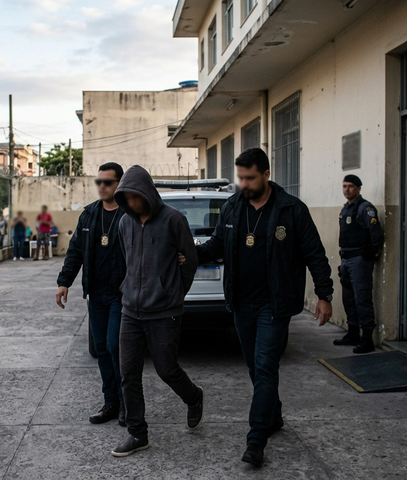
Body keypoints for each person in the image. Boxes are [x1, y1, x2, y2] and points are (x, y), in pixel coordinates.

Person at [196, 148, 333, 467]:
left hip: (275, 304)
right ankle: (274, 415)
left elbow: (315, 254)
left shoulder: (291, 210)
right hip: (241, 303)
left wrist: (324, 295)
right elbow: (217, 246)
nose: (243, 183)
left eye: (249, 177)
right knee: (255, 368)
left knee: (266, 365)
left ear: (266, 175)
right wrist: (188, 253)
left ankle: (256, 440)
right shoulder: (232, 206)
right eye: (240, 177)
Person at [110, 165, 202, 458]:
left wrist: (172, 293)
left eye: (135, 196)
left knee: (166, 369)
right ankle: (137, 433)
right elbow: (127, 259)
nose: (131, 202)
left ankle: (194, 396)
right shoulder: (124, 223)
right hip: (131, 311)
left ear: (146, 193)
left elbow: (190, 263)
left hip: (164, 312)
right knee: (128, 374)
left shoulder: (174, 219)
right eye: (125, 197)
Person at [57, 162, 127, 427]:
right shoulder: (89, 215)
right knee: (101, 349)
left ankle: (126, 404)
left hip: (121, 295)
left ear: (119, 184)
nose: (102, 187)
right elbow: (76, 250)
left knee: (115, 346)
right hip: (95, 295)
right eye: (99, 182)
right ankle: (111, 403)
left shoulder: (129, 215)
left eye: (107, 182)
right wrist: (64, 282)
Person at [333, 174, 384, 354]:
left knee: (362, 298)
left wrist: (368, 253)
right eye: (344, 186)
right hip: (346, 259)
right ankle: (353, 333)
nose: (347, 189)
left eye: (351, 186)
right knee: (348, 298)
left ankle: (367, 339)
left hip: (359, 260)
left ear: (358, 188)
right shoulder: (346, 209)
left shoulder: (365, 208)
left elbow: (375, 233)